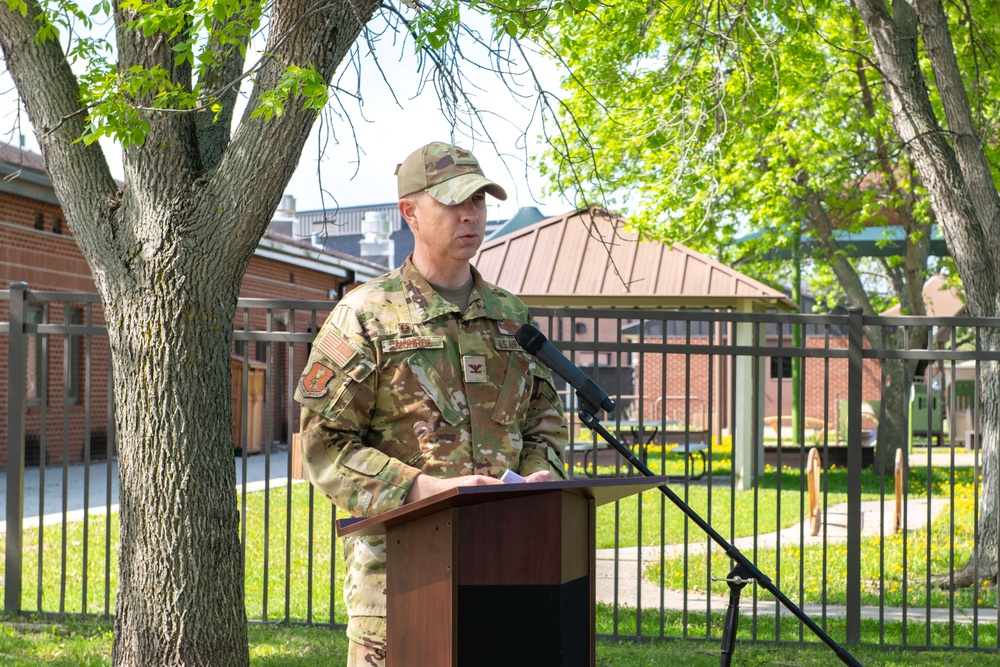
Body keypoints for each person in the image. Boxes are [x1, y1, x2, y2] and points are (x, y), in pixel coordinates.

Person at [294, 141, 569, 666]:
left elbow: (543, 415)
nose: (472, 215)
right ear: (410, 213)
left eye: (481, 202)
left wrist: (539, 473)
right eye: (453, 202)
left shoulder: (510, 314)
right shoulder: (365, 316)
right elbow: (325, 446)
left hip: (506, 566)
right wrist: (424, 488)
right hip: (400, 580)